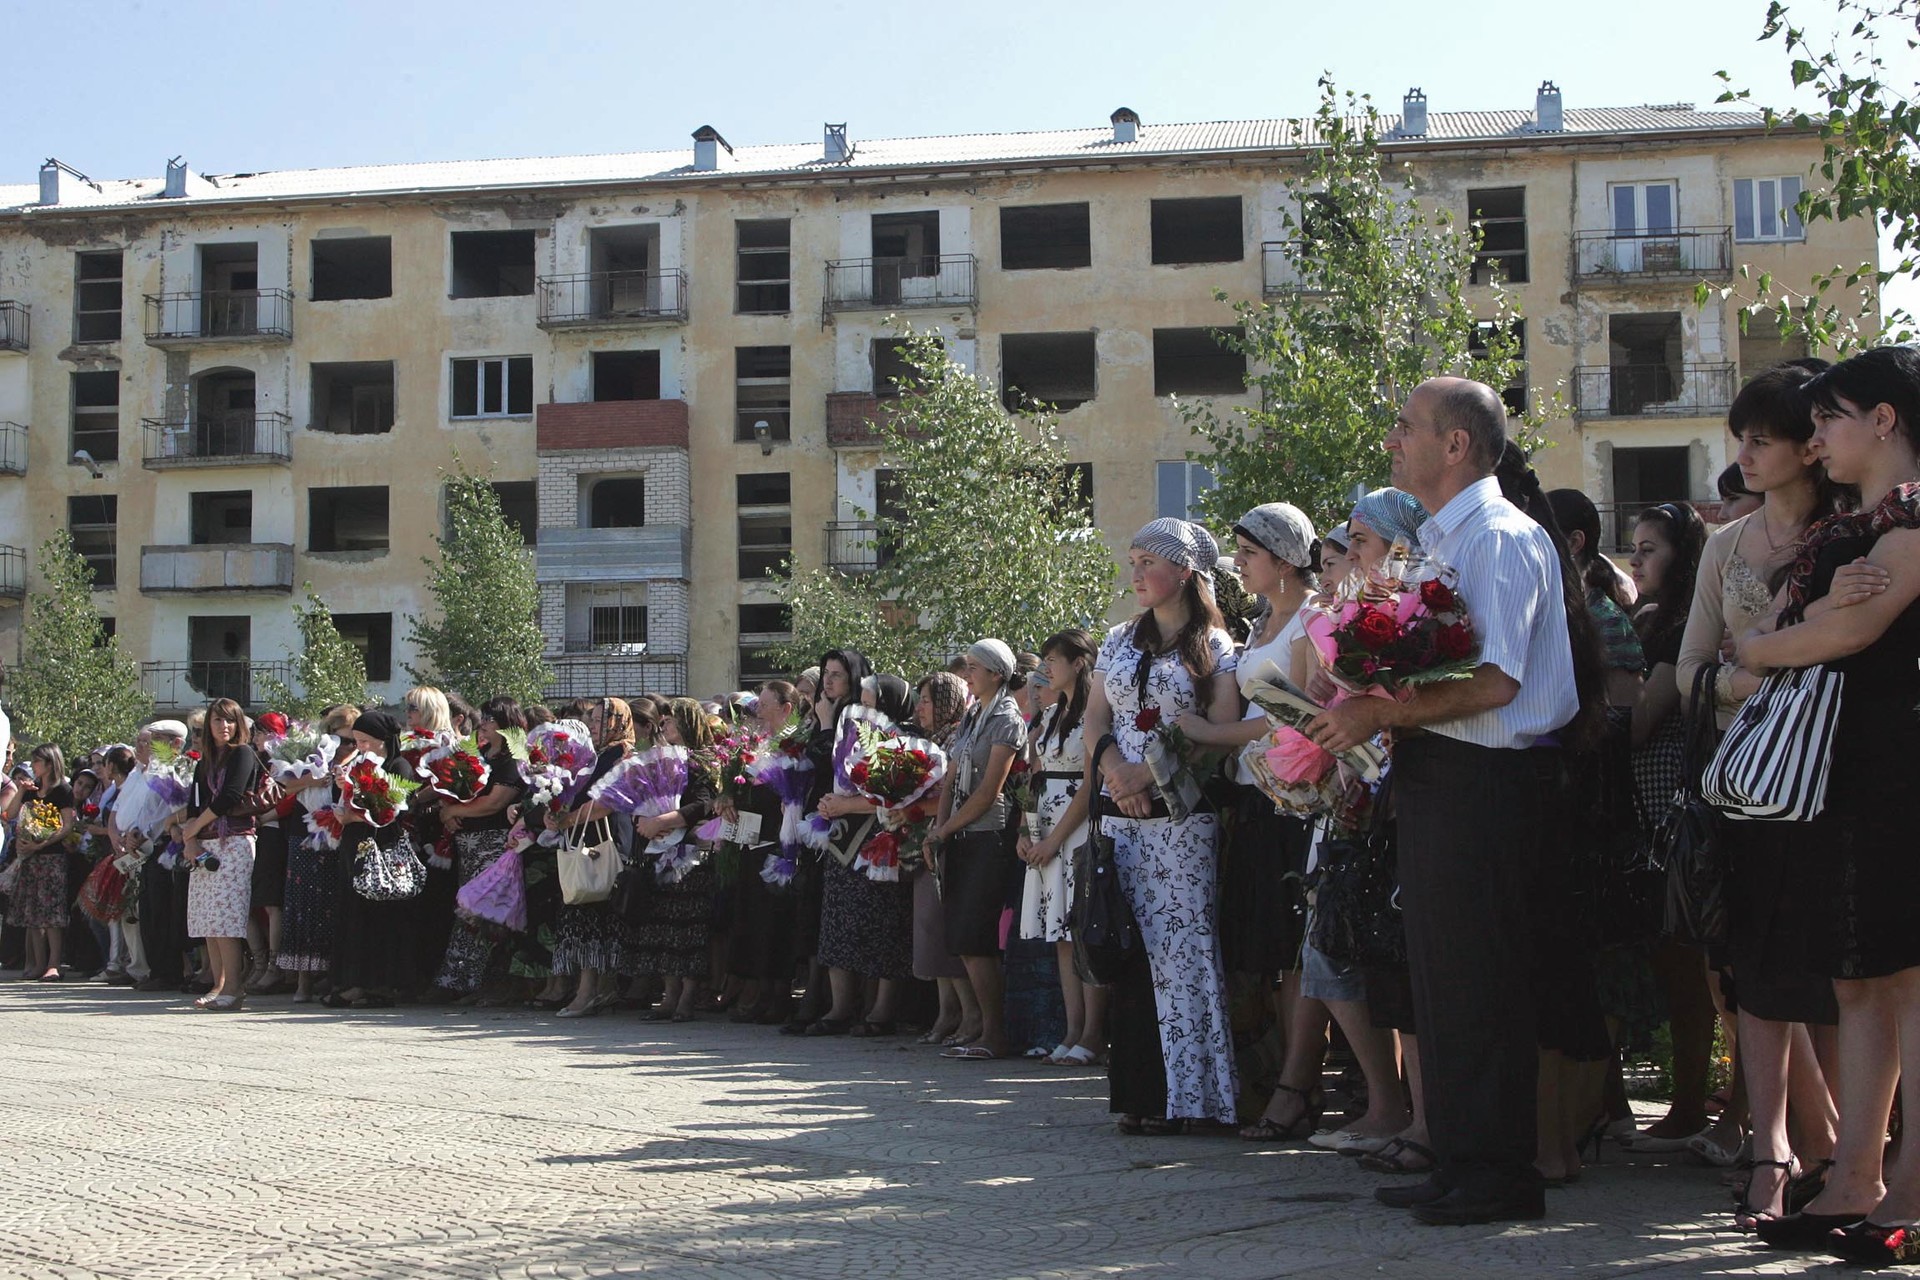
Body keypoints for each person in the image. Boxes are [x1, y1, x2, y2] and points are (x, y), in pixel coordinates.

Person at [1311, 378, 1581, 1224]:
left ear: (1456, 445)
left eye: (1407, 427)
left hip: (1489, 784)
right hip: (1442, 776)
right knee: (1442, 979)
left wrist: (1376, 708)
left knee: (1482, 980)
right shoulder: (1443, 538)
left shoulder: (1498, 537)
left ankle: (1499, 1175)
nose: (1393, 440)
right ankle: (1460, 1157)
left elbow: (1496, 679)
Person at [1734, 347, 1920, 1260]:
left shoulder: (1915, 520)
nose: (1818, 436)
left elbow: (1839, 632)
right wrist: (1786, 637)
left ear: (1885, 420)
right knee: (1858, 975)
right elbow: (1778, 630)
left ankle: (1911, 1185)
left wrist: (1775, 645)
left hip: (1899, 768)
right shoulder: (1860, 522)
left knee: (1908, 975)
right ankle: (1856, 1172)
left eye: (1834, 417)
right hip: (1852, 770)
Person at [1677, 363, 1843, 1215]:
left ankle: (1844, 1152)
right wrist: (1764, 678)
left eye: (1761, 439)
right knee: (1756, 964)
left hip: (1843, 783)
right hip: (1750, 787)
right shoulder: (1724, 548)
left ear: (1810, 450)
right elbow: (1691, 673)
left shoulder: (1854, 533)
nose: (1742, 453)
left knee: (1839, 973)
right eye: (1740, 437)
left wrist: (1765, 662)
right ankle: (1774, 1147)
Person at [1084, 517, 1242, 1132]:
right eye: (1133, 559)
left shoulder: (1217, 647)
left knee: (1185, 954)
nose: (1137, 572)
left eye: (1148, 560)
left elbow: (1220, 730)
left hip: (1182, 813)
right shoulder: (1119, 639)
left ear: (1184, 570)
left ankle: (1198, 1100)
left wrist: (1150, 777)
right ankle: (1142, 1096)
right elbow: (1096, 719)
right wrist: (1117, 772)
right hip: (1121, 810)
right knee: (1130, 951)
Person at [928, 639, 1027, 1062]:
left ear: (997, 674)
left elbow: (990, 791)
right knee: (964, 937)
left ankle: (996, 1032)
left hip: (989, 835)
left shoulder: (1007, 718)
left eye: (975, 667)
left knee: (978, 936)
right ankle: (983, 1027)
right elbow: (952, 778)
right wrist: (939, 828)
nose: (967, 674)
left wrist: (945, 828)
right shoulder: (972, 715)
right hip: (960, 834)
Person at [811, 674, 920, 1036]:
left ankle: (881, 1010)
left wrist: (846, 804)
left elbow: (897, 793)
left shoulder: (907, 739)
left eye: (871, 701)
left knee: (884, 927)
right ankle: (840, 1007)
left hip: (882, 840)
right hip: (843, 840)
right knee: (837, 925)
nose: (863, 707)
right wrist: (832, 802)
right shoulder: (854, 731)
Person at [1016, 629, 1105, 1065]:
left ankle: (1093, 1032)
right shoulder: (1049, 716)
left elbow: (1091, 784)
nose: (1045, 667)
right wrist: (1026, 830)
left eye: (1054, 659)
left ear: (1079, 663)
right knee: (1061, 936)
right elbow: (1034, 777)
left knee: (1084, 931)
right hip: (1046, 827)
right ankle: (1072, 1030)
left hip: (1078, 829)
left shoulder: (1094, 713)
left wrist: (1054, 839)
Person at [625, 696, 721, 1022]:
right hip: (661, 851)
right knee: (663, 926)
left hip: (693, 854)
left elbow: (703, 804)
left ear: (688, 722)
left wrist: (661, 822)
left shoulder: (702, 760)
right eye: (663, 721)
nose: (664, 725)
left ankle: (687, 997)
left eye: (670, 720)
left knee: (687, 928)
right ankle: (668, 995)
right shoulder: (664, 760)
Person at [548, 697, 640, 1018]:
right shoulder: (594, 754)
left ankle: (590, 992)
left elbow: (609, 801)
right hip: (585, 837)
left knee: (598, 914)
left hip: (609, 841)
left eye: (603, 719)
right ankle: (597, 990)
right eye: (594, 719)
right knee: (588, 915)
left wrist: (567, 818)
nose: (596, 725)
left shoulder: (624, 754)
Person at [434, 696, 530, 999]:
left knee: (485, 913)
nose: (483, 726)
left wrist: (453, 813)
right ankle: (458, 979)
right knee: (467, 910)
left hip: (495, 846)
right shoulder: (479, 756)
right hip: (468, 845)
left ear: (506, 725)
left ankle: (483, 981)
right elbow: (456, 792)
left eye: (489, 720)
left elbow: (495, 802)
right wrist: (448, 811)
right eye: (483, 719)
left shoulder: (513, 759)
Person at [325, 710, 417, 1009]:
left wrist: (355, 813)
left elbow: (396, 809)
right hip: (355, 844)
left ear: (381, 740)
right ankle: (355, 981)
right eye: (356, 741)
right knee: (354, 913)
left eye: (364, 741)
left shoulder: (398, 765)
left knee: (379, 917)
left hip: (383, 848)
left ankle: (381, 984)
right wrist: (342, 787)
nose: (360, 747)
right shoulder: (357, 765)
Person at [177, 698, 262, 1010]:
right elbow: (196, 803)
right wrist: (190, 839)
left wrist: (194, 827)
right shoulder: (205, 762)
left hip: (235, 840)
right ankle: (218, 983)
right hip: (205, 842)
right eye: (217, 720)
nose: (223, 726)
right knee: (207, 918)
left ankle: (235, 988)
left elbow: (230, 797)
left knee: (226, 919)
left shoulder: (243, 753)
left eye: (229, 720)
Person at [909, 670, 977, 1044]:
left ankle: (968, 1014)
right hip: (925, 840)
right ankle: (946, 1011)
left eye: (927, 700)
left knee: (947, 930)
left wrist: (915, 809)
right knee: (930, 931)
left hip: (951, 840)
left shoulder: (956, 738)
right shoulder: (926, 741)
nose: (920, 708)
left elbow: (953, 792)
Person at [278, 705, 358, 1002]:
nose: (348, 747)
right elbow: (284, 786)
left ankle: (334, 977)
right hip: (305, 839)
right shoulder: (311, 756)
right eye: (342, 740)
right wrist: (313, 780)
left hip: (341, 841)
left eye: (354, 741)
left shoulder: (360, 762)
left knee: (335, 909)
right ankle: (303, 981)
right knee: (304, 908)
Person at [9, 744, 76, 980]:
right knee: (33, 913)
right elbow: (10, 814)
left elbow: (67, 825)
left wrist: (42, 843)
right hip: (30, 859)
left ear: (49, 763)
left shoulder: (63, 790)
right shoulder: (31, 789)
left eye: (37, 761)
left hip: (52, 858)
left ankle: (53, 963)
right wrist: (20, 790)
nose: (33, 765)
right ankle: (37, 963)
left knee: (52, 913)